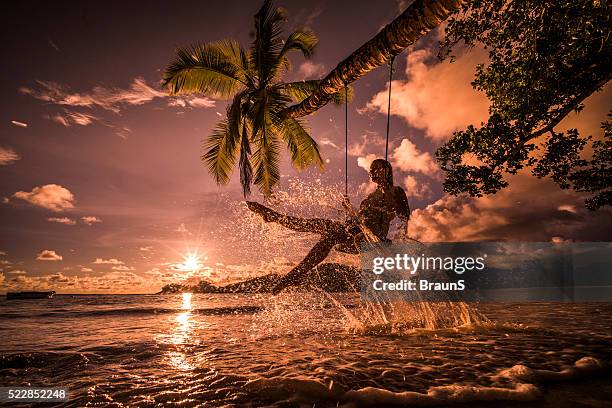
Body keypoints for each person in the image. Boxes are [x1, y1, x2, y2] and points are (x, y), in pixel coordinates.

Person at [247, 159, 410, 294]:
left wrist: (397, 243)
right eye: (371, 169)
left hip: (371, 240)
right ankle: (275, 218)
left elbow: (404, 216)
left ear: (387, 170)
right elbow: (360, 220)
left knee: (330, 234)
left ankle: (297, 274)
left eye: (376, 169)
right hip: (355, 233)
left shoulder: (396, 191)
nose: (372, 172)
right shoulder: (370, 197)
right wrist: (349, 208)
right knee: (319, 225)